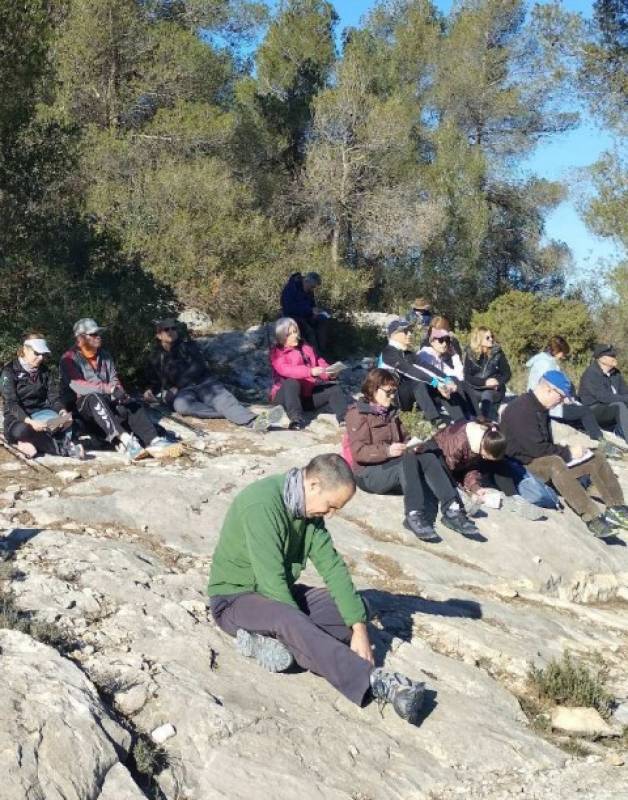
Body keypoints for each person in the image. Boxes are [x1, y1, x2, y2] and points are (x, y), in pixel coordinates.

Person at [208, 453, 426, 724]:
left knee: (355, 608)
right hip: (235, 600)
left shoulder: (308, 512)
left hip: (277, 597)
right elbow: (272, 583)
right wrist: (300, 629)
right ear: (313, 486)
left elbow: (333, 568)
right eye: (331, 506)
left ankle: (271, 645)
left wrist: (358, 628)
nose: (331, 515)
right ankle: (375, 681)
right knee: (287, 619)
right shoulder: (261, 504)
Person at [343, 369, 480, 540]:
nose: (393, 396)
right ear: (373, 390)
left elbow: (405, 437)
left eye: (394, 391)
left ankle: (452, 509)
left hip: (391, 466)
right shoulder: (357, 414)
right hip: (367, 474)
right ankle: (413, 513)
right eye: (388, 392)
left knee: (428, 455)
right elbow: (358, 452)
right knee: (407, 460)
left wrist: (413, 445)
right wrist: (388, 450)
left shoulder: (391, 412)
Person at [500, 370, 628, 539]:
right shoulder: (521, 409)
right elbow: (535, 450)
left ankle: (617, 508)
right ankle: (593, 518)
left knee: (596, 456)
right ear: (548, 390)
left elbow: (546, 444)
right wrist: (568, 452)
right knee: (555, 462)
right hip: (523, 465)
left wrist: (573, 452)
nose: (562, 401)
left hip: (540, 459)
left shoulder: (540, 408)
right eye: (560, 396)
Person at [60, 318, 182, 461]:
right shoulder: (68, 358)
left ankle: (154, 441)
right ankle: (126, 441)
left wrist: (120, 392)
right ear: (80, 338)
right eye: (93, 334)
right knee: (94, 397)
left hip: (107, 402)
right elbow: (78, 385)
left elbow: (114, 379)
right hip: (83, 407)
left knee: (132, 403)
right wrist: (110, 389)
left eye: (99, 333)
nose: (98, 336)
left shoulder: (105, 355)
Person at [144, 319, 282, 432]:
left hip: (205, 384)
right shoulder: (156, 357)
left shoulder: (189, 346)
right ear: (158, 335)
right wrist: (150, 390)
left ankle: (253, 421)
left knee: (222, 400)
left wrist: (176, 386)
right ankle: (231, 413)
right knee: (181, 406)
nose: (171, 332)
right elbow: (155, 379)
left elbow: (197, 367)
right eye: (166, 329)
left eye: (173, 328)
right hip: (184, 392)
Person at [1, 333, 84, 459]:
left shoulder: (45, 371)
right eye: (36, 353)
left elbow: (53, 398)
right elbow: (11, 403)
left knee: (74, 422)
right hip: (19, 419)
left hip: (43, 415)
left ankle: (30, 442)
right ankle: (64, 448)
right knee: (23, 430)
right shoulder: (9, 371)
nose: (40, 358)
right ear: (25, 350)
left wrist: (62, 413)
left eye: (43, 354)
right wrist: (31, 422)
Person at [526, 336, 612, 449]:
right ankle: (601, 442)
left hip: (545, 401)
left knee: (577, 408)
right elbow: (551, 387)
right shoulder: (547, 365)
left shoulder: (542, 360)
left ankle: (588, 434)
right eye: (563, 353)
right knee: (585, 411)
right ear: (558, 351)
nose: (563, 356)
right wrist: (565, 399)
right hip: (549, 406)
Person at [380, 319, 469, 426]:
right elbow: (410, 371)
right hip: (395, 397)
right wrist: (436, 383)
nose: (409, 334)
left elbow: (426, 367)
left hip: (412, 394)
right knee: (420, 383)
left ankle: (461, 420)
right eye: (405, 331)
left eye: (410, 331)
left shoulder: (407, 353)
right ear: (394, 335)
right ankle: (435, 420)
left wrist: (446, 379)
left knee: (446, 382)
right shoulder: (388, 353)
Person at [270, 317, 347, 430]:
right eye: (289, 334)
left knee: (334, 389)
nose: (294, 335)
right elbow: (285, 370)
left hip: (305, 396)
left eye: (295, 331)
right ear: (282, 338)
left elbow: (319, 363)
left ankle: (344, 419)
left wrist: (329, 373)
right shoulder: (277, 353)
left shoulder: (306, 348)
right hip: (284, 396)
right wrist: (309, 371)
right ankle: (295, 419)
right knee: (292, 382)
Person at [417, 327, 474, 415]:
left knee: (457, 381)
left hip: (438, 389)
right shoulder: (426, 354)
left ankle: (471, 415)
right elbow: (427, 376)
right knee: (451, 381)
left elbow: (459, 377)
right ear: (432, 342)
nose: (444, 344)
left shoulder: (438, 359)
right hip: (425, 393)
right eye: (440, 340)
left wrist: (454, 355)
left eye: (447, 340)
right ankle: (466, 416)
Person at [579, 344, 628, 444]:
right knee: (619, 406)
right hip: (593, 410)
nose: (615, 358)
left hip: (610, 406)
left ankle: (620, 434)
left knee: (621, 404)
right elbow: (604, 397)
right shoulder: (591, 374)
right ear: (602, 359)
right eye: (612, 356)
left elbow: (624, 392)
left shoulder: (616, 373)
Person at [463, 327, 512, 421]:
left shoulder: (497, 353)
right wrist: (485, 382)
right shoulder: (470, 354)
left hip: (494, 389)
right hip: (476, 386)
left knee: (487, 394)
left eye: (492, 336)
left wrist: (497, 382)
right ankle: (466, 420)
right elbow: (467, 376)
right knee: (467, 394)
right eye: (487, 337)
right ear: (479, 339)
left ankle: (484, 420)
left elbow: (507, 373)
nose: (491, 339)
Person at [280, 271, 329, 354]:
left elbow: (312, 304)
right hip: (293, 316)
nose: (312, 289)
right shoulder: (292, 288)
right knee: (309, 331)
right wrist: (309, 310)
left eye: (314, 287)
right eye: (312, 286)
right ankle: (315, 356)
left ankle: (323, 351)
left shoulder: (309, 290)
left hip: (306, 315)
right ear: (306, 281)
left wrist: (315, 311)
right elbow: (289, 308)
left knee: (322, 320)